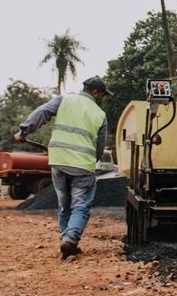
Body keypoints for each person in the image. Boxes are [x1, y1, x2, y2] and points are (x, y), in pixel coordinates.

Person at [15, 76, 111, 258]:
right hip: (83, 166)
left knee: (64, 205)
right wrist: (91, 160)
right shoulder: (100, 115)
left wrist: (23, 131)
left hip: (58, 161)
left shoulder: (64, 100)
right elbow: (99, 149)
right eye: (102, 95)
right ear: (96, 92)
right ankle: (70, 239)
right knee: (80, 206)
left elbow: (42, 112)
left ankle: (67, 243)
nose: (102, 98)